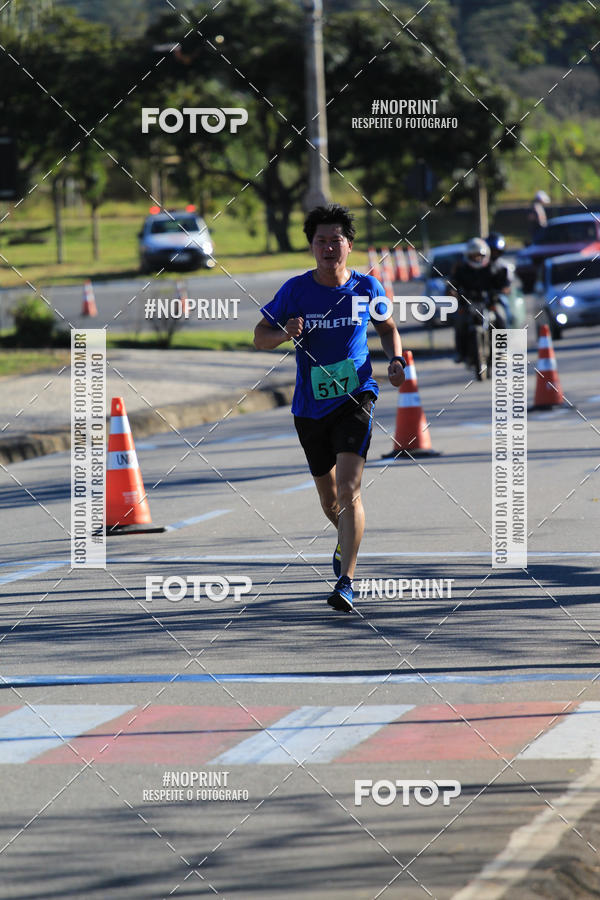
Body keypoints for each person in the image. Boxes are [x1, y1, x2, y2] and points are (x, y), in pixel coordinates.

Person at [254, 203, 405, 612]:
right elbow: (259, 336)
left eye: (335, 240)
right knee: (329, 501)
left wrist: (396, 359)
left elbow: (389, 329)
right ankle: (344, 542)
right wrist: (284, 333)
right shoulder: (296, 290)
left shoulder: (367, 288)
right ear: (311, 247)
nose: (327, 247)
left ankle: (346, 581)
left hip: (357, 396)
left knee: (349, 488)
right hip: (309, 407)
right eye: (320, 240)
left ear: (349, 246)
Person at [448, 237, 492, 363]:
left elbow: (499, 281)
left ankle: (502, 349)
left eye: (479, 255)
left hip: (487, 302)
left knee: (500, 317)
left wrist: (501, 289)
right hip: (467, 303)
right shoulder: (461, 268)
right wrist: (452, 291)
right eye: (474, 256)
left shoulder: (490, 267)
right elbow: (452, 283)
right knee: (459, 322)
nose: (477, 258)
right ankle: (460, 352)